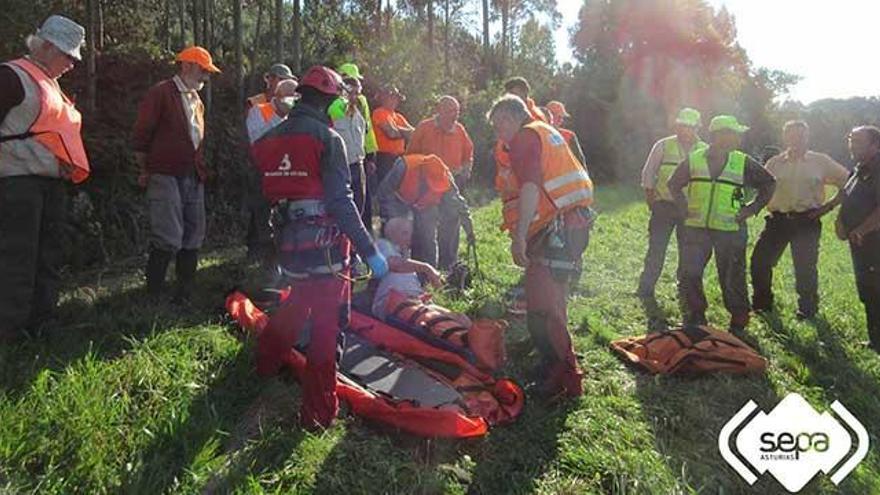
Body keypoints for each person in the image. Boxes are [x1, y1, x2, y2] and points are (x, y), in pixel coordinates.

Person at [250, 65, 388, 429]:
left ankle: (264, 364)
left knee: (296, 303)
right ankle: (318, 414)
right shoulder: (329, 140)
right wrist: (369, 250)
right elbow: (342, 202)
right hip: (326, 248)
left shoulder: (270, 138)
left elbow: (263, 188)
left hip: (288, 244)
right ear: (330, 101)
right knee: (329, 324)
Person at [488, 95, 594, 399]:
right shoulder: (545, 130)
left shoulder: (525, 137)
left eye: (499, 126)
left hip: (554, 229)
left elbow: (531, 186)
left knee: (549, 307)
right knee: (540, 301)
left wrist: (520, 236)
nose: (499, 135)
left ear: (510, 119)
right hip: (568, 223)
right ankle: (548, 362)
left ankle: (564, 377)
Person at [0, 15, 89, 341]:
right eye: (68, 55)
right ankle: (9, 331)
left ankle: (42, 322)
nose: (72, 64)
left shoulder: (49, 82)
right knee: (17, 257)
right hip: (16, 182)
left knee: (48, 255)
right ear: (47, 46)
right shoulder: (11, 76)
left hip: (50, 184)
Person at [667, 115, 776, 334]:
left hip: (731, 229)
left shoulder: (742, 161)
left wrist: (752, 208)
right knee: (690, 273)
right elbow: (673, 184)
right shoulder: (694, 158)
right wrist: (683, 206)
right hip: (696, 227)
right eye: (734, 133)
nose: (737, 138)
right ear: (719, 135)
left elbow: (769, 183)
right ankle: (696, 315)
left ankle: (739, 319)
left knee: (732, 275)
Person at [132, 46, 220, 303]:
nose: (206, 76)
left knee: (194, 234)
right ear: (186, 66)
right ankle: (154, 296)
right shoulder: (160, 93)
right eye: (203, 70)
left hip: (193, 175)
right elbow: (141, 135)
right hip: (165, 173)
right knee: (168, 235)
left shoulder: (197, 100)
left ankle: (185, 293)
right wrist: (145, 169)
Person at [751, 120, 849, 319]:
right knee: (759, 262)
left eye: (801, 135)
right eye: (792, 135)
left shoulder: (821, 161)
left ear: (807, 137)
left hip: (807, 221)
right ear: (785, 137)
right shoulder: (775, 163)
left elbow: (848, 183)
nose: (797, 139)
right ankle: (762, 305)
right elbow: (763, 188)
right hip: (777, 220)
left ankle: (807, 309)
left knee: (805, 268)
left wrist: (827, 207)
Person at [637, 108, 707, 298]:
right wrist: (651, 199)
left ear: (697, 127)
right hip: (664, 205)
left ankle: (684, 289)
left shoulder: (705, 150)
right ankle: (646, 288)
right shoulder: (663, 145)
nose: (684, 130)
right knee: (656, 248)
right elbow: (649, 172)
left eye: (689, 126)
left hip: (691, 209)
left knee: (688, 251)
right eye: (681, 126)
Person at [406, 95, 475, 268]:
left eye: (457, 112)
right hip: (426, 185)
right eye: (451, 111)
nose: (455, 115)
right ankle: (424, 266)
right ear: (439, 110)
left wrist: (466, 171)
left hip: (451, 184)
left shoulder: (459, 130)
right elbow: (410, 157)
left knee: (451, 223)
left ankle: (448, 265)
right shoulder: (424, 127)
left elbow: (469, 153)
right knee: (425, 225)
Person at [377, 153, 474, 269]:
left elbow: (459, 205)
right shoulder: (404, 166)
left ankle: (431, 275)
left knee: (428, 238)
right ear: (422, 174)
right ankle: (391, 271)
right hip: (399, 201)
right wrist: (391, 218)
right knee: (399, 236)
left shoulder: (445, 177)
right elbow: (383, 192)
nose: (433, 187)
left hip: (425, 205)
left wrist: (470, 231)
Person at [837, 126, 880, 351]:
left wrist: (862, 229)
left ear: (876, 145)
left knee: (875, 291)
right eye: (851, 140)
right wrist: (840, 221)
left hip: (874, 243)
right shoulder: (858, 169)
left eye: (859, 141)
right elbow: (847, 197)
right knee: (868, 291)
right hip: (861, 243)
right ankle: (875, 341)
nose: (853, 145)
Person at [327, 63, 378, 223]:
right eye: (352, 92)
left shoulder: (359, 106)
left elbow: (366, 131)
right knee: (347, 208)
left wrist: (370, 156)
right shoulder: (334, 105)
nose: (356, 96)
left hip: (358, 162)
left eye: (358, 92)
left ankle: (358, 242)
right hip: (343, 165)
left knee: (360, 206)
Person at [371, 216, 443, 318]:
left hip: (416, 302)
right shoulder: (383, 245)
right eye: (405, 233)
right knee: (436, 320)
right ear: (392, 234)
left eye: (410, 233)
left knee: (460, 318)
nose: (410, 237)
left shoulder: (405, 258)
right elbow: (394, 265)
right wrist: (427, 268)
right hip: (393, 302)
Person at [246, 79, 298, 143]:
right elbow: (255, 139)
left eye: (295, 98)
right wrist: (278, 115)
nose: (292, 102)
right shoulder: (258, 110)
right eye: (289, 98)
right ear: (278, 96)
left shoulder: (294, 115)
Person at [545, 100, 587, 167]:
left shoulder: (569, 136)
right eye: (559, 117)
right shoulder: (538, 134)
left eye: (562, 118)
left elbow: (580, 161)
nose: (561, 120)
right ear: (550, 116)